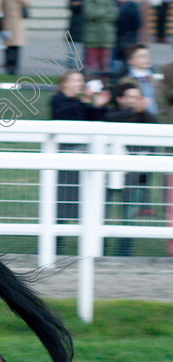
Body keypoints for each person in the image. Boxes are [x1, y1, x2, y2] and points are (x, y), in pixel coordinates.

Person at [50, 70, 109, 253]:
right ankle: (55, 245)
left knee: (88, 201)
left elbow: (95, 119)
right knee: (62, 203)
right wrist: (85, 101)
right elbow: (62, 116)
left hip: (83, 159)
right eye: (76, 80)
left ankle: (95, 247)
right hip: (65, 160)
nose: (80, 84)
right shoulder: (58, 100)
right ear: (64, 83)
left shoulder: (79, 102)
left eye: (81, 80)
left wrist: (98, 106)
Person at [103, 81, 157, 256]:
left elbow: (152, 134)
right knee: (102, 214)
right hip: (108, 172)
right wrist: (132, 110)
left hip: (132, 174)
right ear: (120, 99)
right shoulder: (110, 112)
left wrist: (143, 112)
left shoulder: (145, 116)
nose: (135, 100)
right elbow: (107, 120)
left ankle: (124, 253)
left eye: (137, 96)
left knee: (128, 216)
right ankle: (100, 250)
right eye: (131, 97)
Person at [82, 0, 117, 74]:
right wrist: (105, 11)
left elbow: (114, 15)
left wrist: (98, 14)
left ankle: (104, 82)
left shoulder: (109, 2)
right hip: (92, 37)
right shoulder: (89, 2)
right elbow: (90, 14)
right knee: (91, 63)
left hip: (106, 36)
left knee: (105, 63)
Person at [2, 0, 30, 75]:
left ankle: (9, 65)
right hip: (15, 22)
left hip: (7, 22)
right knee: (15, 47)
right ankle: (13, 67)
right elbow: (28, 4)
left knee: (9, 46)